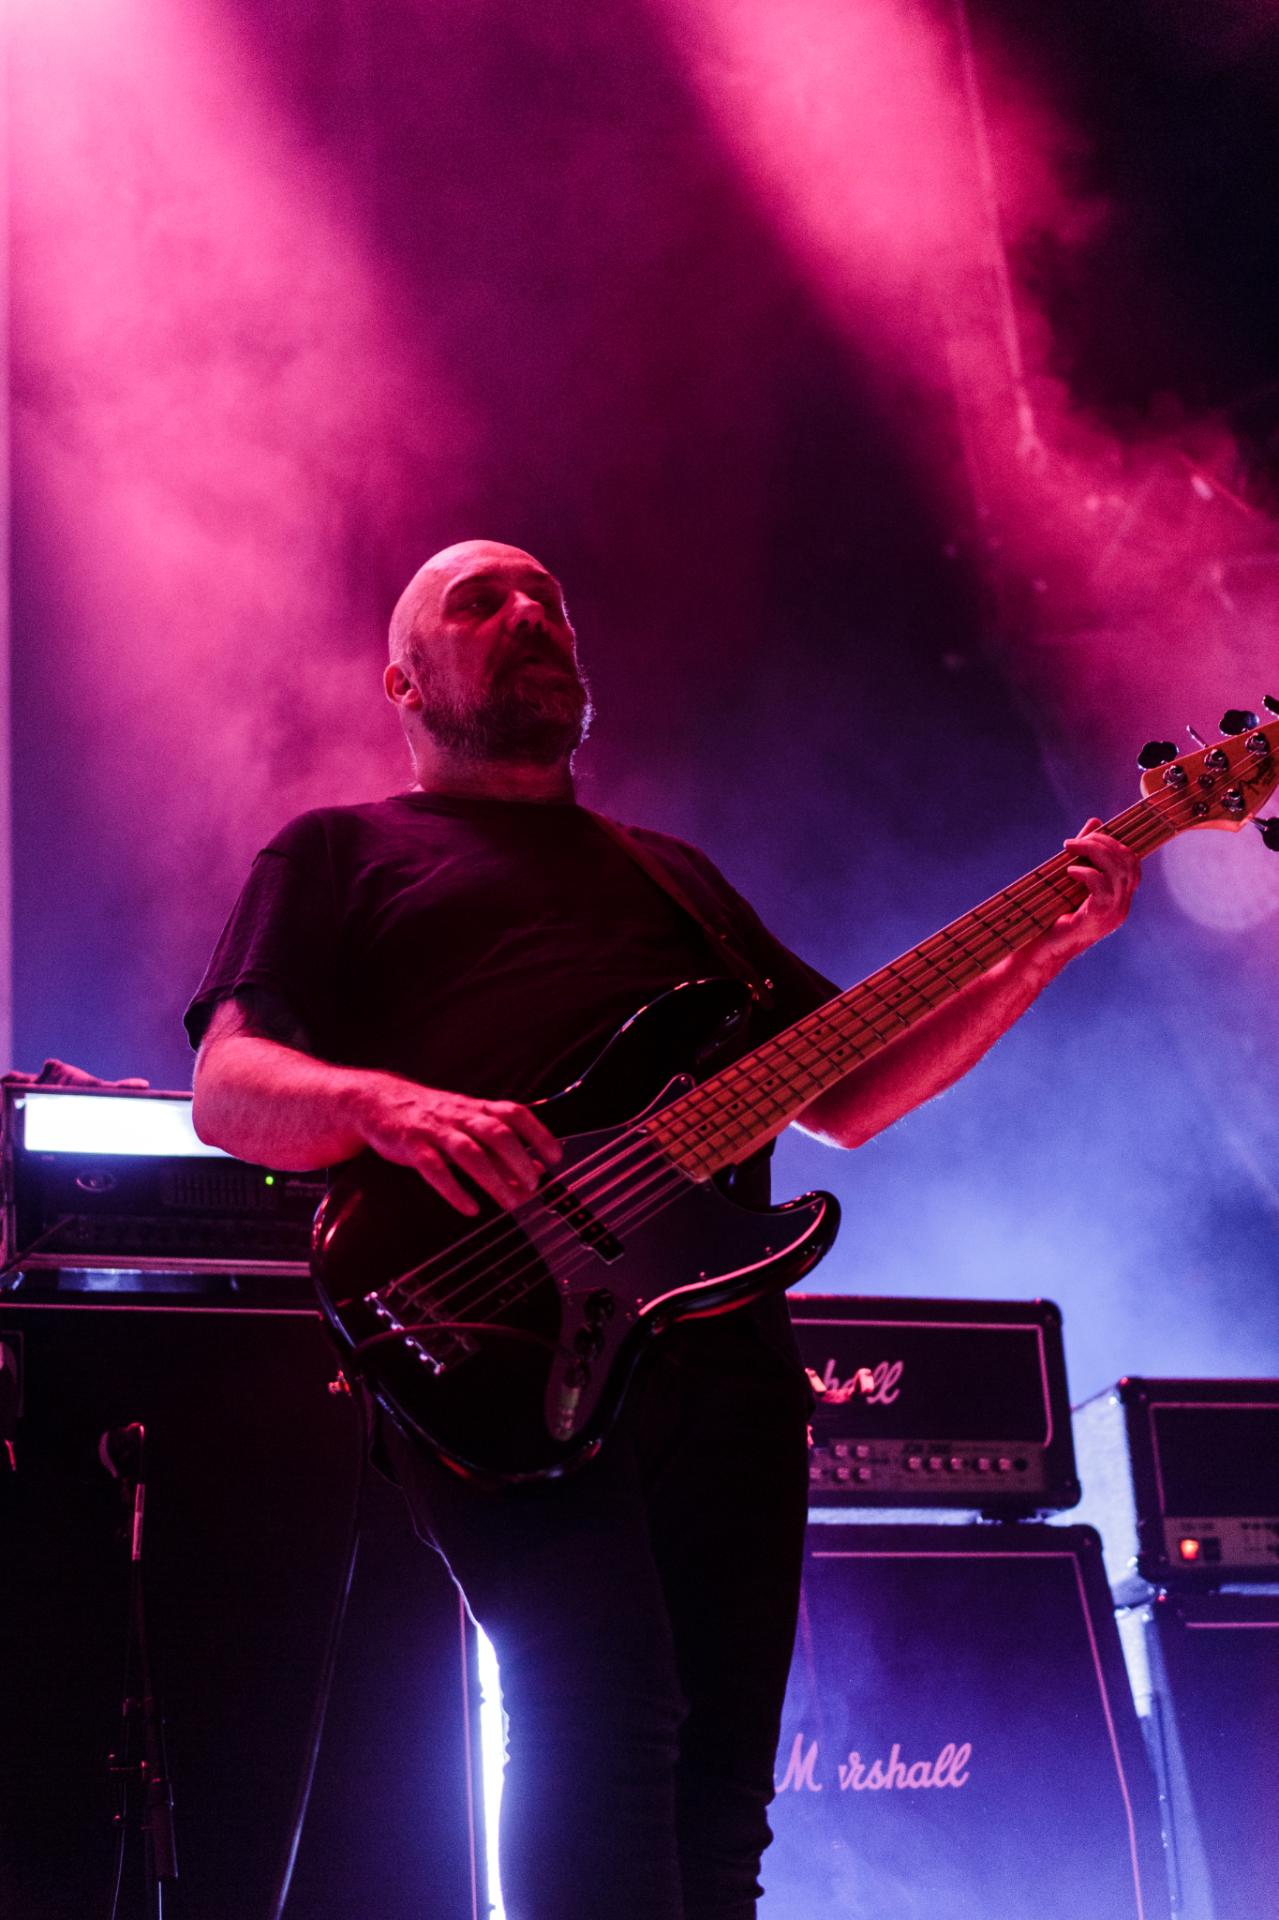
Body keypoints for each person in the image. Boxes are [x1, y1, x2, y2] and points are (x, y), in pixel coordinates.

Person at [186, 539, 1138, 1920]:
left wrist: (1034, 953)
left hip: (729, 1368)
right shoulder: (339, 852)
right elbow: (228, 1089)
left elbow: (847, 1092)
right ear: (403, 680)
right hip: (491, 1332)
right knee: (602, 1718)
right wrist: (387, 1104)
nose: (531, 614)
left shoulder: (674, 880)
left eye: (550, 601)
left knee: (722, 1788)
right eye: (482, 602)